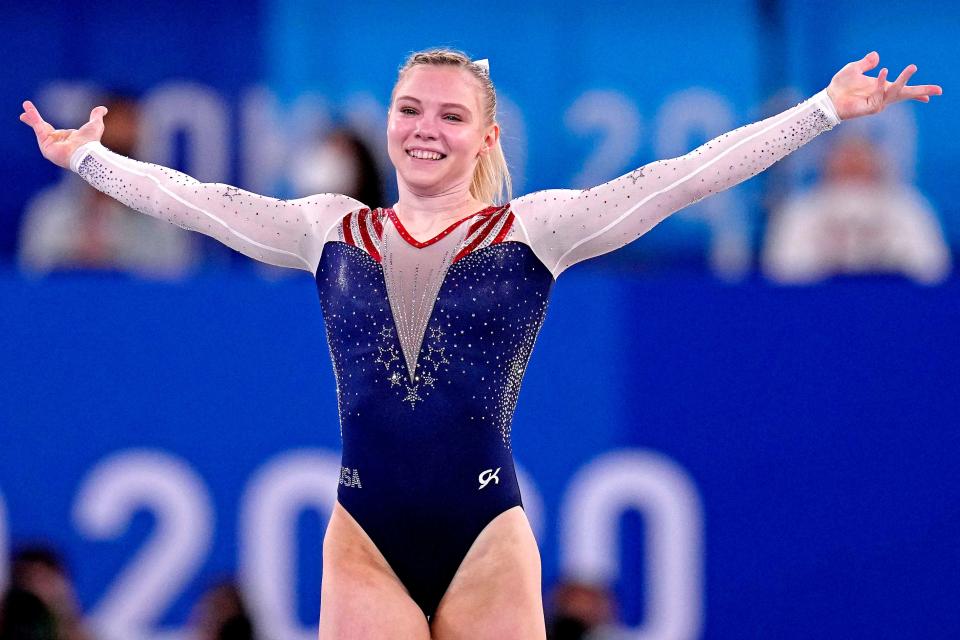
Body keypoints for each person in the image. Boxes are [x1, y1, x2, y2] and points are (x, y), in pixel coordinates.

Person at [19, 49, 940, 640]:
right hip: (363, 540)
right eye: (411, 109)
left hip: (487, 537)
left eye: (451, 115)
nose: (426, 129)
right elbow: (199, 204)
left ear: (486, 135)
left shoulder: (536, 230)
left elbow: (679, 181)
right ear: (389, 121)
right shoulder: (329, 229)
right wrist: (90, 161)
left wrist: (820, 110)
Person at [18, 93, 199, 279]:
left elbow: (175, 279)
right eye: (104, 153)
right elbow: (32, 276)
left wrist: (116, 260)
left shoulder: (164, 215)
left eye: (120, 154)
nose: (108, 173)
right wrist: (78, 261)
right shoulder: (51, 212)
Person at [762, 134, 951, 283]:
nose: (853, 163)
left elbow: (932, 270)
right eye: (845, 156)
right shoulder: (800, 211)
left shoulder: (908, 208)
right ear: (826, 162)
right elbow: (783, 273)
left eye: (861, 156)